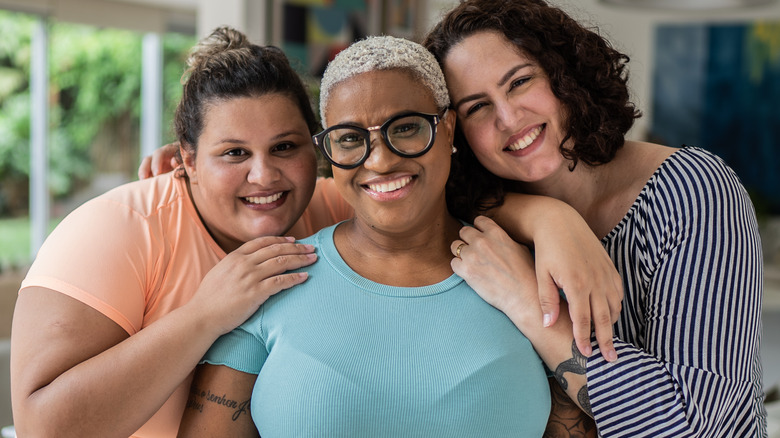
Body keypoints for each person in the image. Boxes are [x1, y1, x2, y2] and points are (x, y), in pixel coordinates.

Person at [176, 35, 580, 437]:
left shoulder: (531, 277)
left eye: (405, 128)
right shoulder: (265, 284)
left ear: (448, 130)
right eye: (350, 138)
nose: (381, 160)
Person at [424, 0, 766, 436]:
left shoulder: (694, 190)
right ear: (455, 134)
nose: (508, 118)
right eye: (476, 107)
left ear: (563, 73)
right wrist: (547, 217)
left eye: (520, 82)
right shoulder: (480, 226)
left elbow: (684, 423)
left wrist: (526, 302)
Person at [10, 27, 353, 438]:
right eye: (234, 153)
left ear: (315, 149)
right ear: (188, 161)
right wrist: (205, 315)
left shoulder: (335, 208)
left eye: (284, 147)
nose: (264, 175)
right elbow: (41, 428)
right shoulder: (117, 230)